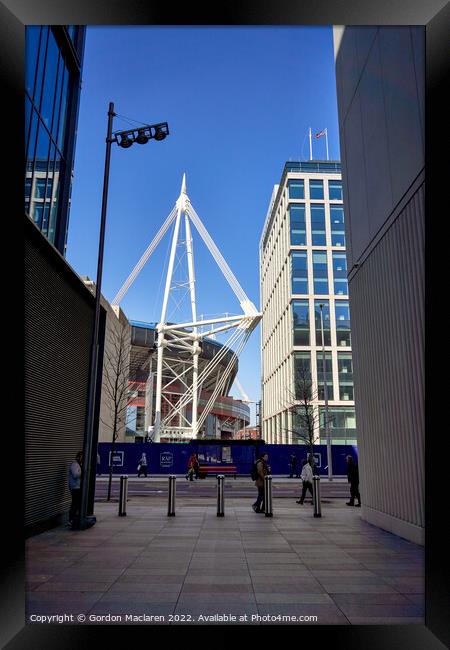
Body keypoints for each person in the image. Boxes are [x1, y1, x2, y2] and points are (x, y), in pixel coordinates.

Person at [68, 451, 83, 528]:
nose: (82, 459)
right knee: (75, 503)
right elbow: (75, 475)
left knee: (77, 503)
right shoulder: (75, 465)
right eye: (81, 457)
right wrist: (82, 471)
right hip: (74, 487)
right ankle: (71, 519)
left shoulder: (78, 464)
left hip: (77, 486)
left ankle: (74, 519)